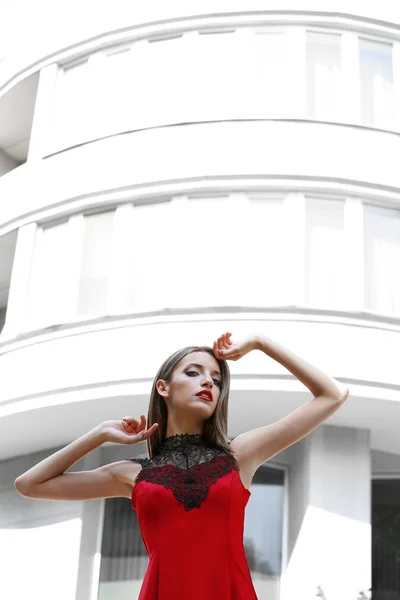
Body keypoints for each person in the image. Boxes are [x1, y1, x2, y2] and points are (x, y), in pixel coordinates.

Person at [14, 331, 349, 599]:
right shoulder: (132, 474)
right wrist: (99, 434)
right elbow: (29, 485)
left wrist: (260, 342)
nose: (208, 383)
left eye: (217, 380)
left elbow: (332, 395)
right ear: (164, 387)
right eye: (193, 373)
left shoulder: (240, 455)